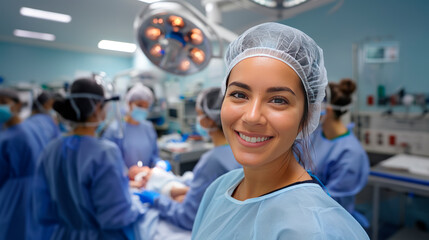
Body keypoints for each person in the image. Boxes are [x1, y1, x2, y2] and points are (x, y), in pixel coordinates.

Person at [192, 22, 369, 239]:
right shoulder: (220, 189)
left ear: (308, 116)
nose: (252, 116)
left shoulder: (316, 231)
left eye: (278, 100)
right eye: (239, 94)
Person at [33, 78, 144, 239]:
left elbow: (42, 211)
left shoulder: (51, 149)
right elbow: (117, 216)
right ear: (97, 107)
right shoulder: (104, 153)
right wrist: (140, 204)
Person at [134, 87, 242, 231]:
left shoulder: (212, 161)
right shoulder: (240, 151)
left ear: (209, 121)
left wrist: (156, 200)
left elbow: (188, 217)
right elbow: (209, 188)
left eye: (198, 114)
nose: (197, 120)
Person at [310, 78, 370, 227]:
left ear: (328, 110)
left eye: (315, 105)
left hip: (331, 221)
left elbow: (333, 200)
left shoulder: (350, 153)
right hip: (308, 212)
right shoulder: (315, 135)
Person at [0, 88, 44, 239]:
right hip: (38, 192)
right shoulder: (32, 128)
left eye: (3, 102)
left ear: (18, 105)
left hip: (14, 196)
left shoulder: (10, 137)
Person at [103, 83, 161, 168]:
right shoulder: (115, 130)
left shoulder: (148, 128)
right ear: (129, 103)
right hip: (124, 179)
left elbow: (154, 155)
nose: (143, 109)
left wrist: (158, 163)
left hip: (146, 177)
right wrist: (127, 174)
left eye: (146, 106)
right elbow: (109, 161)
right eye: (140, 105)